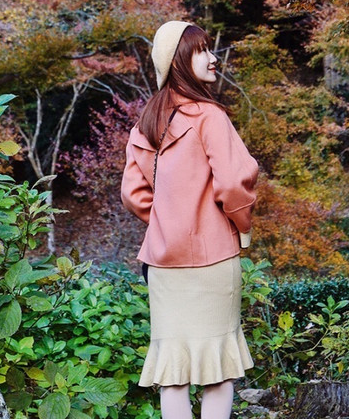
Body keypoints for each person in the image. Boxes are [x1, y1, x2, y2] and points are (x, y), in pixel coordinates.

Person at [121, 21, 259, 419]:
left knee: (175, 373)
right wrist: (239, 225)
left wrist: (169, 219)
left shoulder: (145, 125)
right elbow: (234, 182)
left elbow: (133, 194)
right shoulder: (210, 117)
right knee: (217, 371)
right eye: (201, 50)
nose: (213, 58)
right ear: (178, 60)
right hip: (213, 258)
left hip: (163, 264)